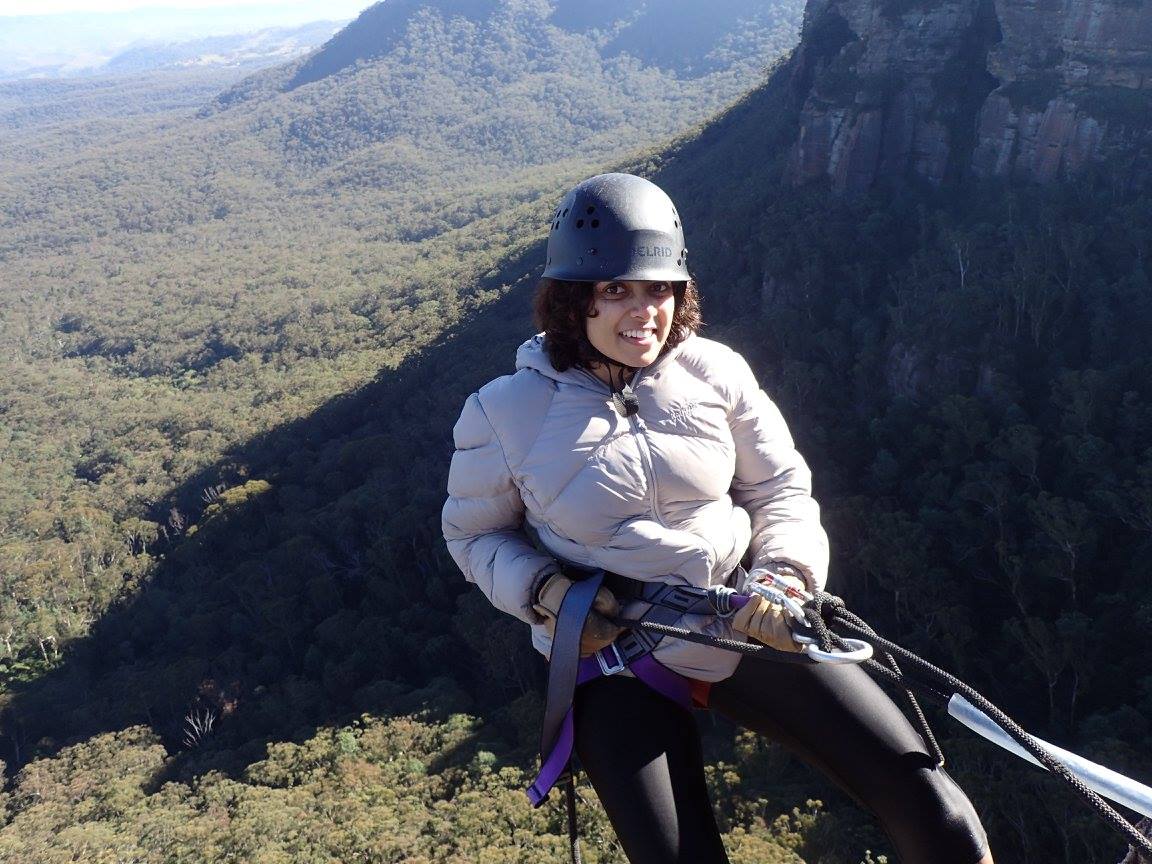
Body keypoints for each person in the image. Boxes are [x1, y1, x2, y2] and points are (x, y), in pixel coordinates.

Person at [442, 172, 994, 864]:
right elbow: (474, 532)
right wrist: (544, 595)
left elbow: (780, 489)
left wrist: (786, 578)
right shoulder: (502, 411)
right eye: (616, 289)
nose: (644, 312)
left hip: (740, 615)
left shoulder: (714, 372)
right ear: (573, 300)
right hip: (609, 654)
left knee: (937, 816)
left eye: (659, 289)